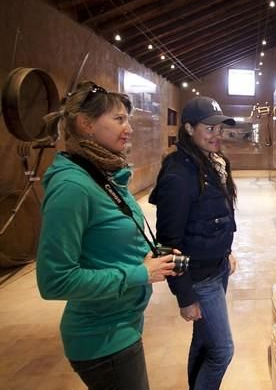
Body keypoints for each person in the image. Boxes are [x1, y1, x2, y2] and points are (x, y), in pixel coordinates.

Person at [36, 81, 179, 390]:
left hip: (122, 323)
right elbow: (54, 280)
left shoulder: (104, 175)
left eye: (127, 119)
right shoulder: (72, 186)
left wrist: (152, 254)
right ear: (86, 124)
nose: (128, 128)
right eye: (118, 119)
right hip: (101, 336)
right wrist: (138, 273)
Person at [149, 96, 238, 389]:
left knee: (204, 342)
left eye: (220, 128)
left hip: (217, 267)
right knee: (223, 350)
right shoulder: (178, 175)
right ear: (188, 128)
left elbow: (216, 215)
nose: (216, 135)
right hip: (201, 278)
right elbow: (167, 243)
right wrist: (185, 296)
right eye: (208, 128)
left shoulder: (213, 163)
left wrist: (227, 252)